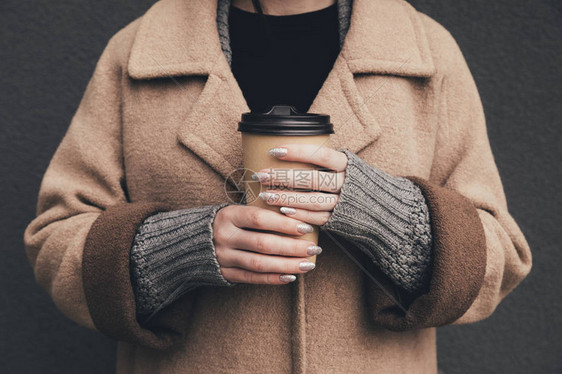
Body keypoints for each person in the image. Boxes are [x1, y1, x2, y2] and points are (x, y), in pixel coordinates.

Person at [23, 0, 532, 372]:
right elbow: (55, 237)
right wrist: (174, 250)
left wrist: (383, 213)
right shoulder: (135, 52)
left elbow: (501, 257)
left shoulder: (429, 55)